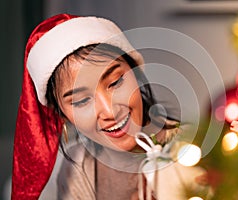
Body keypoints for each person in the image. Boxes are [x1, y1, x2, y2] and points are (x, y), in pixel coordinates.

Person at [12, 13, 181, 200]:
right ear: (62, 116)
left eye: (115, 82)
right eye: (81, 101)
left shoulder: (189, 151)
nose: (110, 111)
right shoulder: (75, 170)